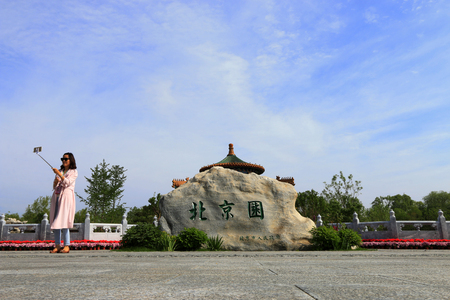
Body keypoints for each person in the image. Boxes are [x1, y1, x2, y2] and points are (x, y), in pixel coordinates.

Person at [49, 152, 78, 253]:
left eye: (66, 159)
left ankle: (67, 245)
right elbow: (54, 187)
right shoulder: (61, 171)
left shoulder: (73, 172)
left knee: (64, 220)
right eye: (62, 159)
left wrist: (59, 174)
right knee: (55, 220)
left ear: (71, 160)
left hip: (66, 197)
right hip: (57, 196)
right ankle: (57, 245)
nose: (63, 161)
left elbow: (67, 182)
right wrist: (55, 182)